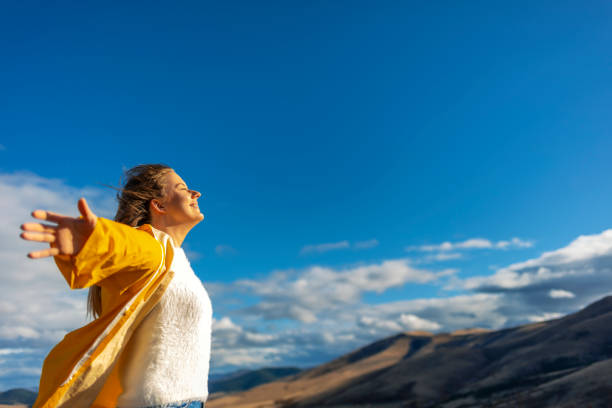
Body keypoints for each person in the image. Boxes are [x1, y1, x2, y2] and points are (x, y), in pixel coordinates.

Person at [20, 164, 212, 408]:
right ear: (159, 205)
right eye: (183, 189)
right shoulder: (153, 248)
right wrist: (92, 239)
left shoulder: (175, 259)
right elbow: (123, 244)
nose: (196, 194)